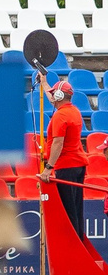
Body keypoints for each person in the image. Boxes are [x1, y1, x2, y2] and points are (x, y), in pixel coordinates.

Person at [42, 77, 86, 237]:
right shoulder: (74, 111)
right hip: (78, 165)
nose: (53, 97)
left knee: (68, 211)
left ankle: (72, 243)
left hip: (66, 166)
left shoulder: (60, 116)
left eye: (54, 94)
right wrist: (44, 83)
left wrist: (48, 168)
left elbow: (58, 143)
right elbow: (53, 100)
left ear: (59, 95)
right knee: (76, 208)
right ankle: (78, 239)